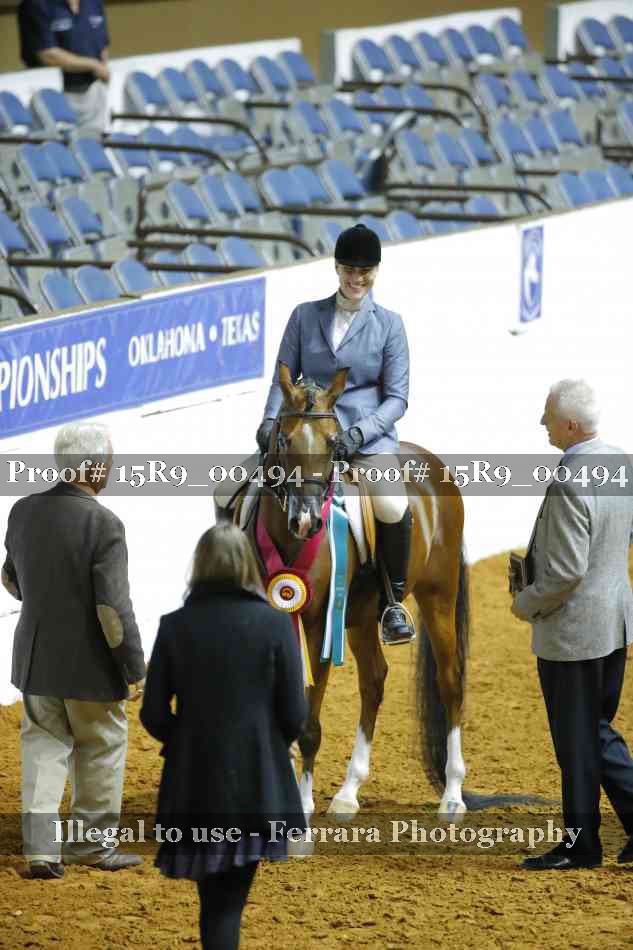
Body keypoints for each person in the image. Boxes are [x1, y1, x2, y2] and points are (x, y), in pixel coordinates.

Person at [140, 524, 306, 950]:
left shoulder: (173, 626)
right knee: (228, 905)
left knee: (214, 906)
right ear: (249, 565)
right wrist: (270, 742)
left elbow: (153, 713)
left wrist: (186, 739)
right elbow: (295, 714)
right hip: (255, 783)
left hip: (194, 784)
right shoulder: (276, 625)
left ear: (199, 565)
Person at [255, 222, 414, 646]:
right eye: (349, 270)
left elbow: (397, 398)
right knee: (229, 490)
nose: (356, 279)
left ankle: (393, 603)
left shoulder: (389, 325)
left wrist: (358, 434)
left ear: (375, 271)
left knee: (392, 503)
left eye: (365, 272)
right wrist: (269, 422)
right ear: (337, 268)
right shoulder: (305, 316)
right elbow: (280, 379)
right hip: (304, 434)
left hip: (364, 439)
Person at [2, 421, 145, 879]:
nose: (111, 466)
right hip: (90, 665)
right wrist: (133, 666)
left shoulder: (23, 511)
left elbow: (10, 579)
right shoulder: (104, 524)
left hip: (36, 659)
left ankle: (41, 851)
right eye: (109, 460)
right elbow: (111, 609)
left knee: (43, 748)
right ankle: (90, 846)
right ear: (93, 466)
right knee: (101, 746)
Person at [511, 379, 633, 870]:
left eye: (548, 415)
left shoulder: (569, 481)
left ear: (570, 425)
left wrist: (526, 603)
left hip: (574, 632)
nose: (542, 422)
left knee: (579, 740)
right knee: (594, 733)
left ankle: (581, 847)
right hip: (614, 623)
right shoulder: (620, 462)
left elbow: (564, 573)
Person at [18, 0, 110, 129]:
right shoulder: (36, 4)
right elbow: (47, 54)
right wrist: (94, 65)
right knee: (55, 140)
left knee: (95, 139)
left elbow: (103, 43)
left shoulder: (93, 2)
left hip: (93, 91)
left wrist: (102, 70)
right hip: (54, 96)